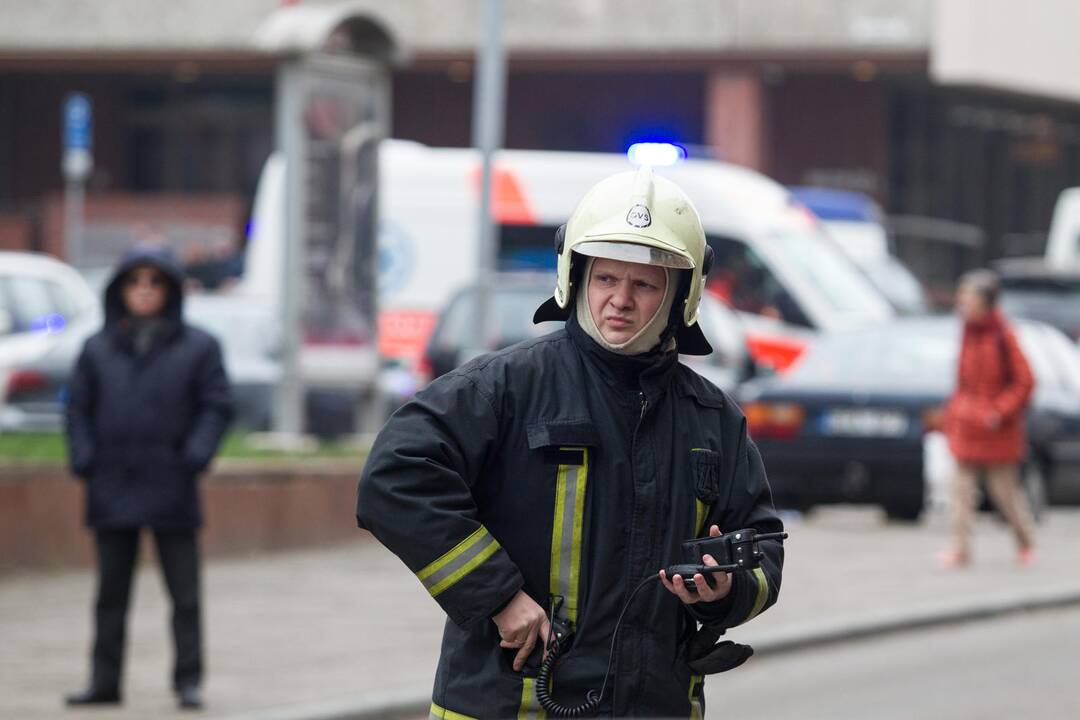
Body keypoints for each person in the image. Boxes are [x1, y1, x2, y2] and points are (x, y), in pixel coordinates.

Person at [357, 168, 784, 717]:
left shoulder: (712, 418)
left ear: (682, 294)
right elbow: (393, 478)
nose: (620, 300)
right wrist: (498, 596)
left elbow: (764, 546)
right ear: (575, 276)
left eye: (644, 285)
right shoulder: (506, 387)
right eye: (606, 279)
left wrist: (723, 590)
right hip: (508, 704)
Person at [65, 245, 233, 710]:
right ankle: (104, 682)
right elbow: (77, 408)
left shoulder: (199, 347)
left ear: (171, 290)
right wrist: (84, 459)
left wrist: (195, 455)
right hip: (112, 482)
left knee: (184, 593)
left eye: (155, 281)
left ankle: (188, 680)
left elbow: (216, 405)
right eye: (135, 281)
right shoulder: (96, 348)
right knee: (110, 594)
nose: (144, 291)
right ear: (120, 289)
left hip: (171, 481)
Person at [940, 269, 1036, 568]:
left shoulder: (1003, 336)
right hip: (967, 425)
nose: (961, 302)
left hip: (996, 431)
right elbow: (963, 381)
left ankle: (1025, 542)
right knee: (960, 492)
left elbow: (1025, 381)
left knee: (1005, 494)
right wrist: (954, 412)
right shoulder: (967, 331)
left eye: (967, 296)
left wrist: (999, 411)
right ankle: (961, 549)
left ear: (985, 301)